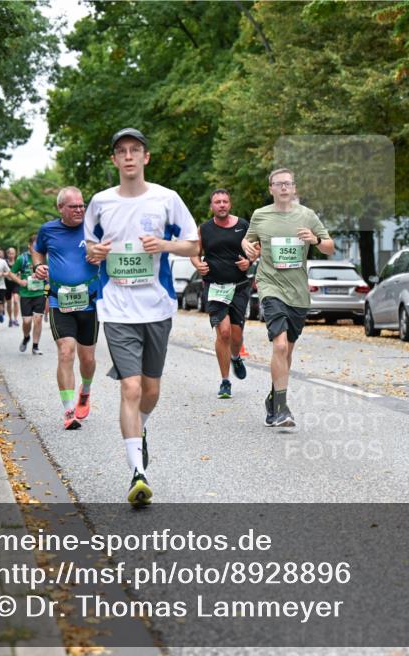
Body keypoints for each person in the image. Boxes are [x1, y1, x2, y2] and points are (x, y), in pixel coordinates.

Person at [84, 128, 199, 505]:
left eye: (136, 150)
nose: (129, 156)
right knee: (130, 387)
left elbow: (193, 244)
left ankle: (140, 430)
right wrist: (95, 254)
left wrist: (165, 245)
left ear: (145, 158)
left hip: (157, 305)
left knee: (151, 390)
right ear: (114, 160)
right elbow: (89, 245)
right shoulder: (100, 202)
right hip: (116, 307)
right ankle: (138, 472)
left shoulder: (167, 199)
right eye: (122, 151)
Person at [241, 168, 334, 427]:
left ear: (294, 188)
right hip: (271, 286)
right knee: (279, 346)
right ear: (270, 188)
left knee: (288, 350)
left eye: (288, 184)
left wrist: (315, 240)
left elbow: (329, 246)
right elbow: (248, 243)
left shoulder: (308, 215)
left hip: (298, 292)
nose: (283, 188)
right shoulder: (260, 215)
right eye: (278, 184)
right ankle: (281, 407)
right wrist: (247, 247)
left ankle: (274, 398)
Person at [33, 187, 101, 430]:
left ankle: (86, 390)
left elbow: (112, 248)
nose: (80, 210)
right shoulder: (48, 230)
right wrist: (38, 267)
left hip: (89, 301)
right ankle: (68, 410)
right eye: (73, 207)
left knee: (88, 358)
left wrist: (101, 255)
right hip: (59, 301)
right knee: (65, 351)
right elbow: (38, 250)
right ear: (60, 208)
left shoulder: (94, 228)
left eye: (82, 205)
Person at [192, 189, 251, 398]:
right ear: (212, 206)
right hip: (215, 286)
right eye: (217, 202)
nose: (222, 205)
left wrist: (249, 262)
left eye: (225, 201)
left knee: (236, 335)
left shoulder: (243, 226)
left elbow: (256, 248)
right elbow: (194, 253)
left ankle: (235, 356)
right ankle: (225, 381)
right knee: (223, 332)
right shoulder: (205, 229)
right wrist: (198, 265)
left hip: (239, 286)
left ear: (230, 204)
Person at [8, 234, 46, 355]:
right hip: (25, 294)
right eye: (34, 245)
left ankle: (35, 346)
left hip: (40, 292)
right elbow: (11, 273)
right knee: (27, 322)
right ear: (29, 246)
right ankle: (26, 337)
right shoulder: (22, 259)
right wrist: (20, 281)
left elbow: (51, 273)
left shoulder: (44, 258)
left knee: (38, 319)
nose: (37, 248)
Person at [4, 246, 21, 327]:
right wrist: (7, 275)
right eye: (10, 253)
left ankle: (16, 319)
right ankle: (10, 319)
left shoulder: (18, 262)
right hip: (7, 284)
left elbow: (21, 272)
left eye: (13, 253)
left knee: (16, 301)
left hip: (16, 283)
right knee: (9, 303)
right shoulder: (4, 263)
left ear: (15, 254)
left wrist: (18, 275)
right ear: (7, 254)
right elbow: (2, 273)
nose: (11, 255)